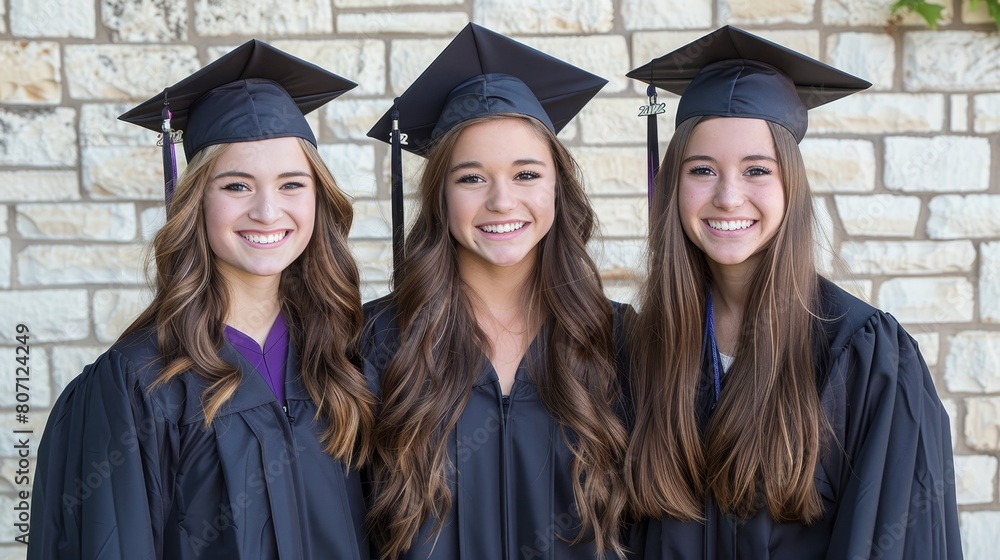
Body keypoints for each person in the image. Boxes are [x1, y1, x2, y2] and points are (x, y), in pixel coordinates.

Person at [624, 26, 963, 559]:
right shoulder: (646, 348)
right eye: (702, 169)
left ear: (792, 187)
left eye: (757, 169)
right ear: (672, 186)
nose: (728, 196)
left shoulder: (865, 356)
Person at [28, 40, 374, 559]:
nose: (266, 210)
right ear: (195, 201)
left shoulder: (346, 358)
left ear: (318, 199)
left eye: (291, 184)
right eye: (236, 186)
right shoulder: (139, 382)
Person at [362, 23, 632, 560]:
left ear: (559, 187)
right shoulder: (377, 341)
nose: (502, 201)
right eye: (471, 178)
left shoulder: (620, 340)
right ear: (439, 196)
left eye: (526, 174)